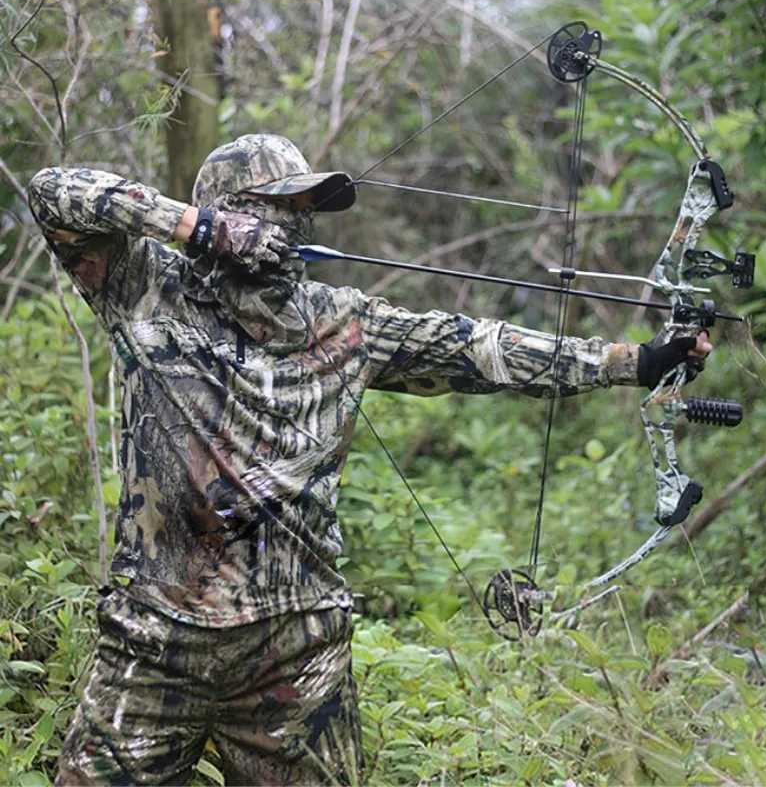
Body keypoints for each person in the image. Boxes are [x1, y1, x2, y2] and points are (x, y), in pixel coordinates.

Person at [27, 133, 711, 786]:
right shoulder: (144, 288)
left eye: (305, 211)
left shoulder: (343, 323)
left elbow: (478, 349)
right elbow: (53, 191)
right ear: (232, 214)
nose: (296, 226)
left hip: (295, 650)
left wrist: (637, 361)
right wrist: (197, 229)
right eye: (281, 208)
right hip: (153, 638)